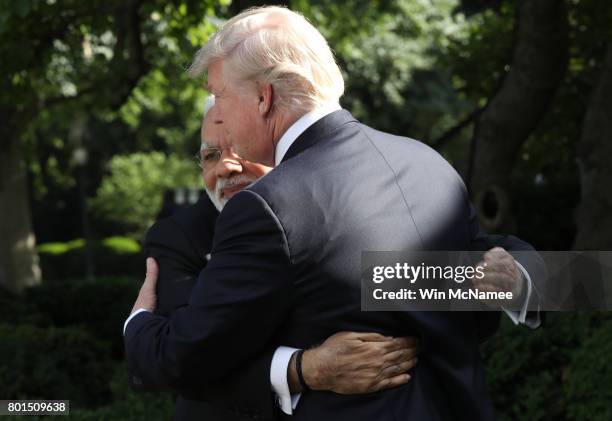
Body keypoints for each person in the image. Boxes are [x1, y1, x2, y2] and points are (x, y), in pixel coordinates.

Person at [125, 6, 545, 420]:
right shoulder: (427, 163)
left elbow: (188, 357)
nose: (218, 113)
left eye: (219, 94)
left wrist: (139, 325)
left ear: (263, 97)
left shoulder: (269, 207)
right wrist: (521, 282)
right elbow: (417, 286)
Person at [141, 103, 420, 420]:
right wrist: (305, 369)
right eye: (211, 156)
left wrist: (477, 280)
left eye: (240, 148)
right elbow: (181, 358)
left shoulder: (340, 212)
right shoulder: (177, 237)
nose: (226, 167)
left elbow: (390, 285)